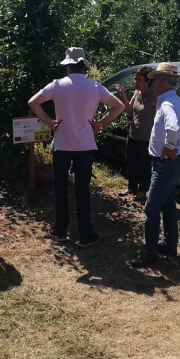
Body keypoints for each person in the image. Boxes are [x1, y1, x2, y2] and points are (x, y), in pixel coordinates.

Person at [28, 47, 125, 247]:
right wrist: (100, 123)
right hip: (85, 145)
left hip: (62, 144)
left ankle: (61, 230)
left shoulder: (57, 85)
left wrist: (48, 122)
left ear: (68, 66)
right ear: (83, 66)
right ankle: (85, 234)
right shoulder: (95, 87)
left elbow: (33, 102)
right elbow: (120, 106)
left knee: (61, 189)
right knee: (82, 190)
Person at [130, 63, 180, 268]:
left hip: (165, 163)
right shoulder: (174, 101)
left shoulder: (167, 105)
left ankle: (150, 252)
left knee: (151, 208)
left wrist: (170, 147)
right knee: (167, 204)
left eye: (155, 80)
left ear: (162, 81)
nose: (153, 83)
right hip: (170, 162)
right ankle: (169, 245)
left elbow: (173, 129)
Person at [115, 66, 156, 202]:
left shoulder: (155, 96)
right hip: (133, 135)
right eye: (135, 79)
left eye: (138, 79)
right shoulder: (137, 92)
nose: (135, 82)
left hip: (146, 138)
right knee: (130, 161)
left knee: (144, 165)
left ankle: (142, 191)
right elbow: (129, 110)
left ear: (148, 81)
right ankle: (131, 187)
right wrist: (123, 94)